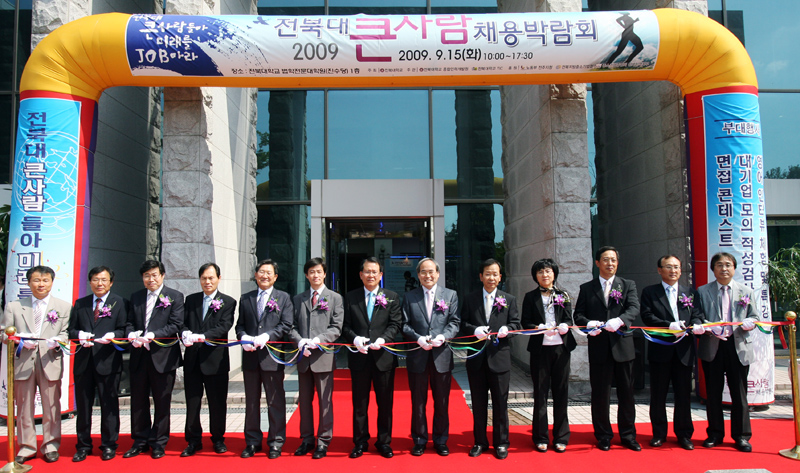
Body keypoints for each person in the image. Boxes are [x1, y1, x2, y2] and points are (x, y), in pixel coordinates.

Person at [573, 246, 641, 452]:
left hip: (623, 347)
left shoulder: (627, 285)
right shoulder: (587, 288)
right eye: (605, 259)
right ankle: (603, 435)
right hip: (599, 348)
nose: (609, 263)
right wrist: (589, 324)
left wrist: (620, 320)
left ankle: (628, 435)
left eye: (613, 260)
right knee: (600, 395)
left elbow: (634, 308)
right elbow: (578, 315)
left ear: (617, 263)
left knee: (626, 394)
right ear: (597, 263)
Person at [2, 265, 71, 464]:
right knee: (24, 406)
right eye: (36, 280)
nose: (41, 284)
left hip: (49, 361)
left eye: (45, 280)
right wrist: (19, 340)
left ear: (52, 282)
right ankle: (27, 447)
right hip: (23, 362)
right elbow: (4, 334)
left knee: (51, 406)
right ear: (29, 282)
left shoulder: (63, 306)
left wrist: (58, 341)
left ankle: (51, 445)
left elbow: (66, 333)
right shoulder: (14, 306)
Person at [692, 252, 759, 452]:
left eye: (728, 265)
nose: (724, 269)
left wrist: (750, 322)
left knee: (739, 394)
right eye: (719, 265)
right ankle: (715, 434)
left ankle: (741, 436)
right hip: (713, 345)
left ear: (734, 268)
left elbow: (755, 316)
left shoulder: (746, 291)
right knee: (713, 393)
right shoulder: (702, 291)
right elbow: (697, 316)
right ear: (713, 269)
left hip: (737, 346)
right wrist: (706, 326)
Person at [343, 257, 402, 459]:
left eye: (374, 272)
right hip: (359, 358)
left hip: (383, 358)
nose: (371, 275)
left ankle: (384, 442)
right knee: (360, 404)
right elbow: (345, 326)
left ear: (381, 275)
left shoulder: (391, 297)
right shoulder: (350, 297)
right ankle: (360, 442)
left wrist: (384, 339)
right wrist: (355, 338)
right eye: (367, 272)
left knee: (385, 403)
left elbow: (395, 324)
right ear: (360, 275)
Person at [124, 260, 184, 459]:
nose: (150, 279)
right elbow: (129, 322)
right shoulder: (136, 297)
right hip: (139, 357)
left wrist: (153, 335)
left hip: (163, 357)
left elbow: (176, 324)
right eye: (146, 276)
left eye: (154, 275)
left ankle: (159, 442)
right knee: (138, 401)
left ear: (162, 275)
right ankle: (140, 440)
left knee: (162, 401)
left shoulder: (175, 296)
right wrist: (131, 334)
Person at [68, 266, 129, 462]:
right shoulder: (81, 303)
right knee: (83, 407)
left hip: (108, 362)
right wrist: (80, 335)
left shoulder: (120, 302)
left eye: (104, 280)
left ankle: (109, 445)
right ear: (90, 282)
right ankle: (83, 445)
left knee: (109, 405)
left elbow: (124, 330)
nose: (99, 283)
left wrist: (114, 335)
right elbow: (71, 330)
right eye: (95, 279)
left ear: (111, 282)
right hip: (84, 363)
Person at [640, 255, 701, 450]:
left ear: (681, 270)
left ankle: (684, 434)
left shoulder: (690, 293)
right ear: (659, 270)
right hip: (661, 350)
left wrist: (697, 325)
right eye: (668, 267)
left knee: (683, 394)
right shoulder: (650, 292)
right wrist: (669, 325)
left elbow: (697, 315)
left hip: (684, 351)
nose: (673, 270)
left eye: (676, 267)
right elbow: (647, 316)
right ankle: (659, 434)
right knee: (658, 395)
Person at [460, 259, 519, 459]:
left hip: (499, 359)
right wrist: (474, 330)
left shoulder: (508, 299)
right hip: (476, 359)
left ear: (500, 277)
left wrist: (507, 330)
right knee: (478, 404)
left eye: (495, 274)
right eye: (487, 273)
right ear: (481, 276)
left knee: (501, 403)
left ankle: (501, 443)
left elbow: (516, 324)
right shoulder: (470, 299)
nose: (491, 277)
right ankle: (480, 442)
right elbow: (462, 324)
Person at [401, 257, 460, 457]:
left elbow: (455, 322)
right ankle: (419, 440)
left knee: (441, 401)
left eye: (431, 271)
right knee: (418, 401)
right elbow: (404, 325)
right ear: (418, 275)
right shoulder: (409, 297)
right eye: (423, 272)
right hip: (418, 356)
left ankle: (441, 440)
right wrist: (417, 338)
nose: (428, 275)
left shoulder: (450, 295)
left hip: (441, 356)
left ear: (438, 273)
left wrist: (444, 336)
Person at [235, 259, 293, 459]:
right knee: (251, 402)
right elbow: (240, 325)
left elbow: (286, 324)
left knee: (275, 402)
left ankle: (276, 442)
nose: (264, 276)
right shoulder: (246, 298)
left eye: (269, 273)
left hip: (272, 358)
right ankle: (252, 442)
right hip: (250, 358)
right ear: (256, 275)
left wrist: (268, 336)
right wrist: (243, 337)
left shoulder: (283, 298)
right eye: (261, 272)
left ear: (275, 277)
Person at [180, 263, 237, 457]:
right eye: (204, 278)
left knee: (217, 403)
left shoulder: (228, 302)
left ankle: (218, 439)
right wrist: (185, 333)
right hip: (193, 360)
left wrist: (203, 336)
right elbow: (182, 323)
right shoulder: (191, 300)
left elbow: (224, 326)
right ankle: (193, 440)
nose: (207, 282)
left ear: (219, 278)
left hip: (215, 361)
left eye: (211, 278)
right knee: (192, 402)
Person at [290, 257, 344, 459]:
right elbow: (291, 326)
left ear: (324, 274)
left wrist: (319, 340)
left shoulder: (335, 298)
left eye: (319, 271)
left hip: (323, 357)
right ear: (306, 275)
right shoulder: (298, 299)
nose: (315, 275)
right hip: (303, 358)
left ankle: (323, 441)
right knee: (304, 402)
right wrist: (300, 341)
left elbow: (336, 327)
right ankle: (306, 439)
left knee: (324, 402)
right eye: (311, 272)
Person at [520, 258, 576, 453]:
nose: (545, 275)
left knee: (561, 392)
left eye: (548, 271)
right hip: (540, 349)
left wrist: (565, 326)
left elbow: (569, 319)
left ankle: (561, 437)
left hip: (561, 349)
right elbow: (525, 322)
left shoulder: (563, 295)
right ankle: (540, 437)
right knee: (540, 393)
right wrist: (539, 327)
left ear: (554, 274)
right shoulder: (530, 297)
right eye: (541, 272)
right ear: (535, 276)